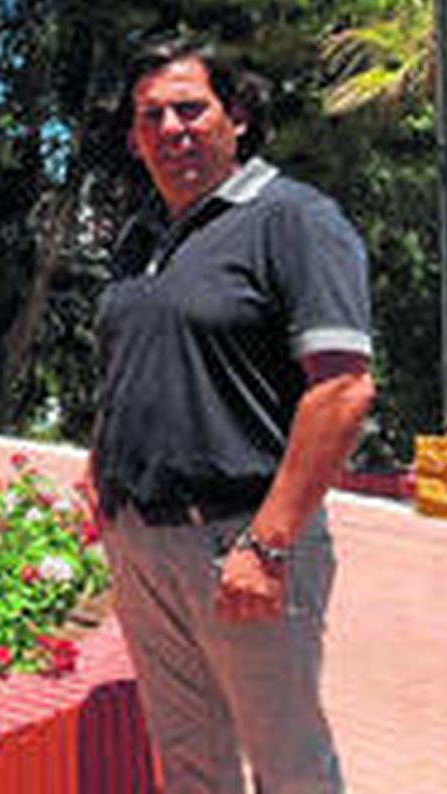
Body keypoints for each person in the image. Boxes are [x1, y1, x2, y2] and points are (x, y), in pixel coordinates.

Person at [90, 39, 374, 793]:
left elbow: (343, 388)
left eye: (192, 109)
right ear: (133, 137)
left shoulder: (294, 220)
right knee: (188, 764)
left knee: (288, 767)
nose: (172, 128)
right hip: (142, 541)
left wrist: (269, 545)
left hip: (241, 541)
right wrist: (100, 472)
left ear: (238, 119)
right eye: (152, 116)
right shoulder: (138, 237)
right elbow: (130, 367)